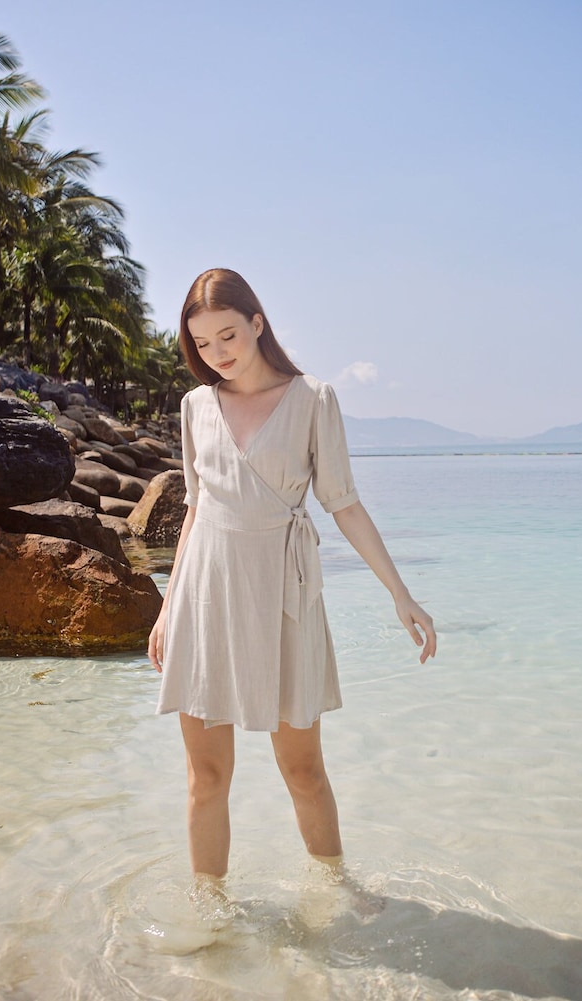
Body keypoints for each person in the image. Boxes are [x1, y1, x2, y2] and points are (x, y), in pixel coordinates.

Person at [148, 268, 436, 883]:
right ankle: (211, 913)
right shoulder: (195, 406)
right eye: (202, 343)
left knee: (303, 770)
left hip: (284, 592)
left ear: (257, 324)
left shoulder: (312, 399)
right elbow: (195, 511)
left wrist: (401, 593)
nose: (217, 353)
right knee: (206, 778)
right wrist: (167, 608)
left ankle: (335, 894)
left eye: (228, 335)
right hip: (205, 595)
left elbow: (343, 503)